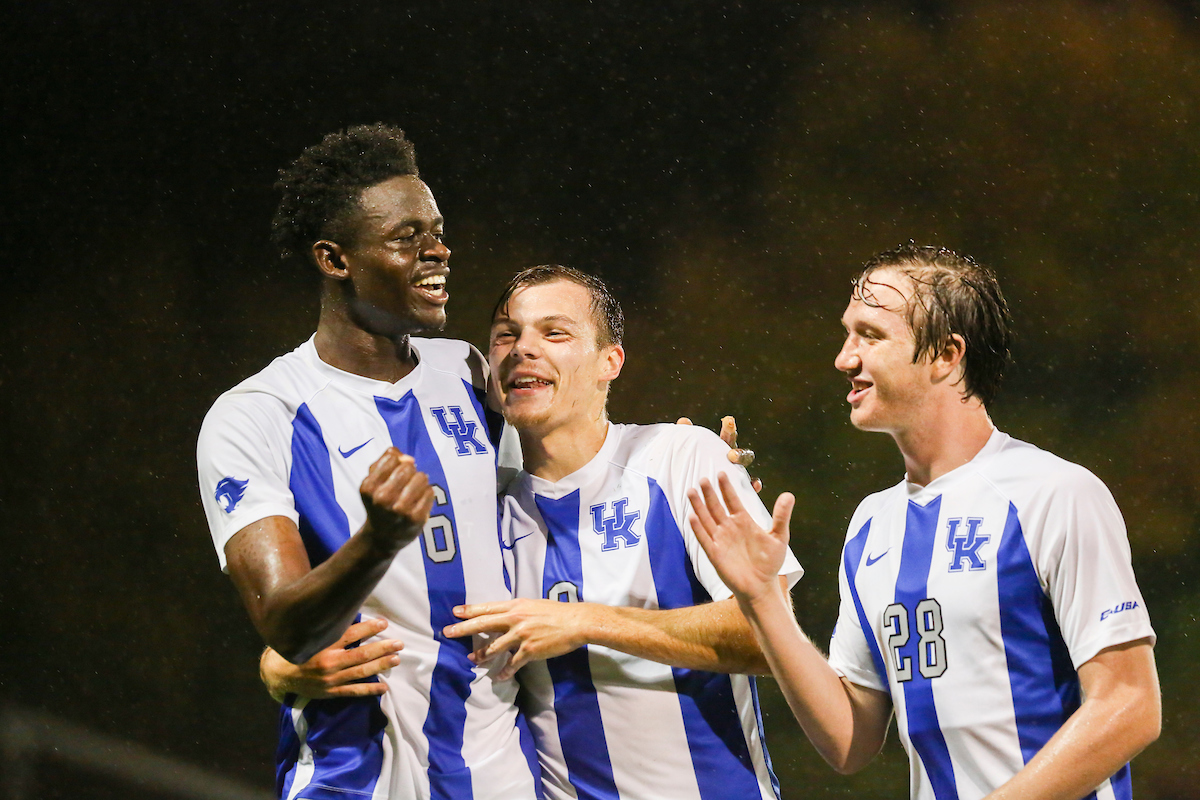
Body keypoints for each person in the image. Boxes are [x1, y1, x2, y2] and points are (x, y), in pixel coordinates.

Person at [688, 244, 1161, 800]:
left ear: (945, 354)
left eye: (870, 335)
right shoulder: (872, 524)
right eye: (847, 334)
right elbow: (850, 741)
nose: (845, 358)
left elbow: (1129, 705)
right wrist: (762, 599)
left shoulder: (1054, 493)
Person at [196, 124, 540, 800]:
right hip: (352, 778)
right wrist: (377, 544)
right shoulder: (258, 414)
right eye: (406, 237)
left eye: (437, 231)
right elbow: (287, 626)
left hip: (500, 771)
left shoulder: (471, 372)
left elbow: (564, 497)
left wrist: (677, 468)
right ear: (334, 258)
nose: (437, 251)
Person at [437, 265, 804, 800]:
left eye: (554, 332)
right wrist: (286, 663)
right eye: (506, 334)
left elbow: (769, 638)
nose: (522, 348)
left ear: (611, 362)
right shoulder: (479, 516)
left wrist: (585, 622)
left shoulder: (682, 457)